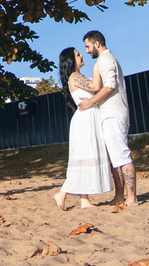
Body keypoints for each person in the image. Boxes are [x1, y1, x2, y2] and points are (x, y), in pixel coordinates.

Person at [78, 30, 138, 207]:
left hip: (113, 114)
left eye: (88, 46)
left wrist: (90, 102)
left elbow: (110, 86)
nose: (87, 51)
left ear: (97, 44)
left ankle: (132, 198)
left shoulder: (105, 60)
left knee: (122, 156)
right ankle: (120, 195)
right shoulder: (104, 61)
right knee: (115, 158)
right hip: (110, 114)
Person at [52, 47, 112, 210]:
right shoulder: (75, 76)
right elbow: (95, 86)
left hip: (87, 118)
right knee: (84, 158)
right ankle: (62, 193)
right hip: (85, 120)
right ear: (72, 60)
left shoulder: (77, 76)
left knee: (85, 157)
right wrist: (97, 66)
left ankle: (84, 200)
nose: (82, 56)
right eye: (78, 55)